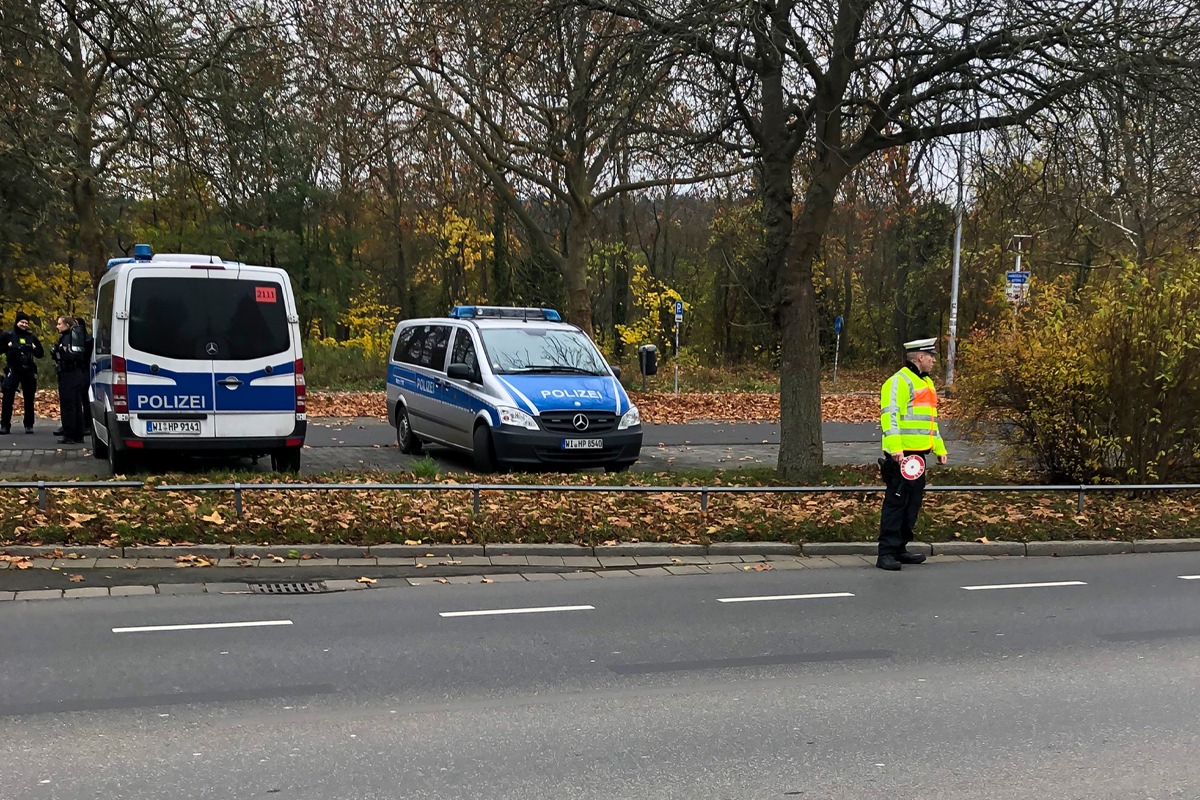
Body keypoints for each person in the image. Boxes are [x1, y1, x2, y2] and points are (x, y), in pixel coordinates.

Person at [876, 337, 948, 571]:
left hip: (918, 457)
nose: (934, 361)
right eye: (931, 356)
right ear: (920, 357)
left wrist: (939, 448)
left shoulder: (926, 383)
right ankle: (886, 552)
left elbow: (930, 421)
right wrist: (895, 447)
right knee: (896, 503)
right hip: (902, 455)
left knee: (912, 504)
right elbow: (890, 416)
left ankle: (899, 548)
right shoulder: (898, 382)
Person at [0, 311, 45, 434]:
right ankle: (5, 425)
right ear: (17, 322)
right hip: (13, 369)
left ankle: (29, 425)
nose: (24, 325)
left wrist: (34, 349)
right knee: (8, 398)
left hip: (28, 370)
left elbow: (41, 354)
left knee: (29, 398)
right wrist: (8, 347)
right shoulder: (8, 335)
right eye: (22, 322)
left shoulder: (31, 337)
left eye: (26, 323)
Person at [50, 316, 88, 444]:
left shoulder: (68, 338)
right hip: (76, 373)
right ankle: (78, 434)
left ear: (66, 324)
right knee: (76, 403)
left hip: (69, 373)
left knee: (69, 404)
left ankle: (70, 434)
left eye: (60, 324)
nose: (57, 326)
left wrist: (58, 353)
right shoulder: (75, 336)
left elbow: (71, 356)